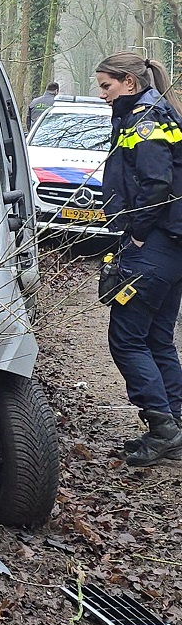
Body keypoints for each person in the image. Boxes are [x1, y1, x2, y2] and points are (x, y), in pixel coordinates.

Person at [95, 51, 182, 466]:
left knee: (127, 338)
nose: (102, 95)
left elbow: (156, 181)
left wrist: (140, 233)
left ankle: (162, 427)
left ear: (129, 83)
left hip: (157, 247)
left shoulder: (146, 120)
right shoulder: (154, 113)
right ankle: (175, 425)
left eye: (106, 86)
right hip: (173, 247)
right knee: (157, 339)